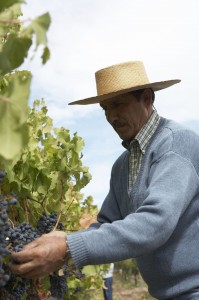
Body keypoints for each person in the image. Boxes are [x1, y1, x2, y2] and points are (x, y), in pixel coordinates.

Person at [9, 61, 199, 300]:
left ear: (148, 99)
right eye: (105, 108)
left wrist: (68, 247)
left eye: (118, 104)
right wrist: (61, 239)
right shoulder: (122, 166)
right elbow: (106, 224)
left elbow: (155, 223)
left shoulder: (175, 145)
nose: (111, 116)